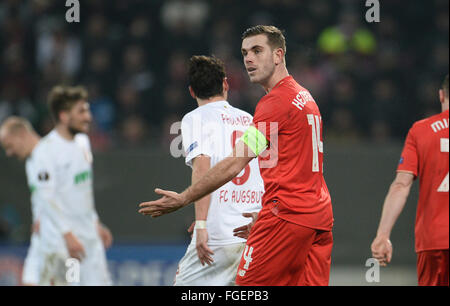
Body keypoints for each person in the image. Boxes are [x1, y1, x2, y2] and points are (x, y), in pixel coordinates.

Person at [139, 25, 334, 286]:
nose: (249, 59)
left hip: (287, 216)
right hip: (318, 216)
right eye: (244, 53)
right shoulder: (304, 96)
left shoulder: (274, 103)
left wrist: (185, 198)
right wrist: (264, 210)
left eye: (257, 50)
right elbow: (277, 165)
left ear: (278, 55)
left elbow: (234, 164)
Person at [0, 85, 113, 285]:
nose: (88, 117)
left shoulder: (83, 143)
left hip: (88, 238)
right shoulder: (44, 153)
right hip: (62, 244)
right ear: (63, 116)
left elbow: (82, 191)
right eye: (82, 112)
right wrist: (67, 235)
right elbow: (47, 197)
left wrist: (95, 222)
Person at [173, 55, 263, 286]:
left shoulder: (194, 118)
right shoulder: (249, 119)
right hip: (252, 230)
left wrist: (202, 223)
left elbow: (202, 168)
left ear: (192, 91)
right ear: (225, 84)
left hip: (217, 236)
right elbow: (265, 172)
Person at [371, 74, 449, 286]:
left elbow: (401, 185)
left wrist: (383, 234)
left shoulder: (421, 130)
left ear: (441, 95)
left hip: (434, 241)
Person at [0, 117, 42, 285]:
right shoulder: (32, 162)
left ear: (21, 135)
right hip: (44, 237)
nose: (9, 153)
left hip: (61, 238)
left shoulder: (50, 155)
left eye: (10, 146)